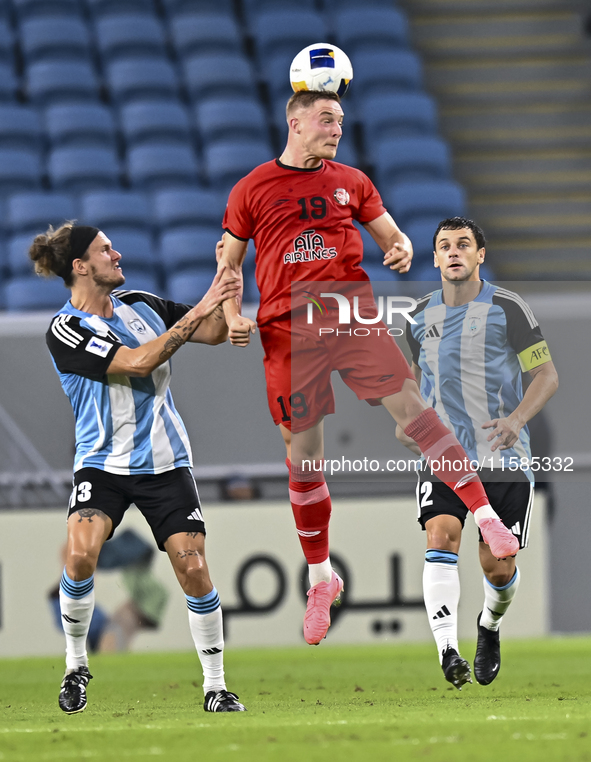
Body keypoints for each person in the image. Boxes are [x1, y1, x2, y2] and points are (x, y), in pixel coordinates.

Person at [216, 89, 519, 646]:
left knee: (415, 412)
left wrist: (400, 248)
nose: (337, 127)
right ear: (296, 122)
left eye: (340, 120)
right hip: (287, 328)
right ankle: (320, 579)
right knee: (304, 455)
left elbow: (391, 234)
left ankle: (487, 516)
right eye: (327, 119)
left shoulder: (352, 181)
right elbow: (228, 263)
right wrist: (234, 313)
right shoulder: (251, 189)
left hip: (349, 312)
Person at [29, 222, 247, 714]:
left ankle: (215, 687)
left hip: (164, 461)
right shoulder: (66, 329)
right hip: (101, 463)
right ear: (80, 266)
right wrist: (208, 297)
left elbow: (210, 331)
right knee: (80, 556)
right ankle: (76, 666)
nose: (117, 253)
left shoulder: (142, 305)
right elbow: (136, 363)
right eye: (105, 249)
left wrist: (228, 288)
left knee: (193, 570)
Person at [397, 217, 558, 689]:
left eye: (463, 244)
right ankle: (448, 650)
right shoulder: (415, 317)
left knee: (498, 565)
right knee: (441, 536)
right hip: (445, 458)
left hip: (504, 459)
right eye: (444, 246)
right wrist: (408, 425)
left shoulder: (509, 309)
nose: (453, 252)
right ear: (434, 258)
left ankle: (489, 627)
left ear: (480, 254)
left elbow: (546, 375)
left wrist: (515, 421)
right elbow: (407, 387)